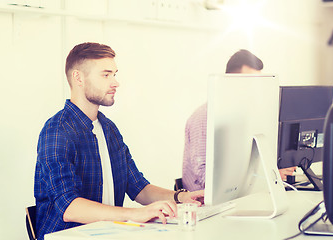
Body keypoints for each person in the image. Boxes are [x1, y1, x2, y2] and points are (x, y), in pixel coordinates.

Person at [34, 42, 204, 240]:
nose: (115, 82)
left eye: (114, 74)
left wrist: (181, 198)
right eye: (106, 75)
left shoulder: (108, 129)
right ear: (78, 78)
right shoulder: (57, 131)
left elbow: (138, 188)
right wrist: (135, 215)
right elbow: (69, 207)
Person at [182, 49, 296, 192]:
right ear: (230, 81)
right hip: (204, 206)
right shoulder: (204, 116)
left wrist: (273, 170)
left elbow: (247, 164)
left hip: (240, 198)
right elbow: (205, 178)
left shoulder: (246, 114)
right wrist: (266, 178)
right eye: (249, 81)